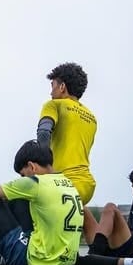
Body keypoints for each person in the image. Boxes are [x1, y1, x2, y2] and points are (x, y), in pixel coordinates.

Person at [0, 141, 133, 265]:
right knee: (15, 200)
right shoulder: (67, 183)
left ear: (32, 166)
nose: (22, 178)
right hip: (65, 259)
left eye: (23, 174)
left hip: (36, 260)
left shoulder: (35, 183)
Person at [36, 62, 98, 242]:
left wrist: (43, 167)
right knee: (77, 214)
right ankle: (100, 253)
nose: (51, 92)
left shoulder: (54, 105)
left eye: (53, 85)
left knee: (20, 201)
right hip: (86, 185)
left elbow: (43, 132)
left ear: (62, 86)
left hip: (63, 181)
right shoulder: (91, 117)